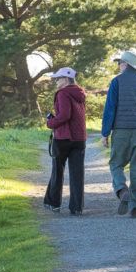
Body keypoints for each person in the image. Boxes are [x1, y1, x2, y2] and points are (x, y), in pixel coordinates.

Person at [101, 51, 136, 218]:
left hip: (121, 129)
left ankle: (121, 190)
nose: (119, 66)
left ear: (126, 65)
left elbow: (110, 109)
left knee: (116, 163)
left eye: (120, 63)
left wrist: (105, 133)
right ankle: (135, 206)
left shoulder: (116, 82)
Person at [43, 67, 87, 216]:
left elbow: (64, 115)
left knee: (58, 170)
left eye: (58, 78)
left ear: (66, 79)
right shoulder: (80, 93)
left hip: (63, 138)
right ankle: (77, 207)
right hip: (79, 138)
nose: (56, 81)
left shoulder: (62, 93)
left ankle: (53, 203)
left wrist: (50, 123)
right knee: (77, 173)